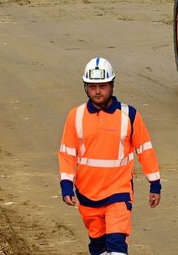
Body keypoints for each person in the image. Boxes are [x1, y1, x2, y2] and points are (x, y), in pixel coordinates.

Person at [59, 57, 161, 255]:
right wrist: (66, 185)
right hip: (87, 195)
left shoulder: (129, 115)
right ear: (86, 88)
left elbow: (145, 150)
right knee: (98, 247)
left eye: (103, 86)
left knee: (117, 246)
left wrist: (155, 184)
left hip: (118, 193)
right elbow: (67, 153)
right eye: (93, 86)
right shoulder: (75, 116)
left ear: (112, 86)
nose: (98, 91)